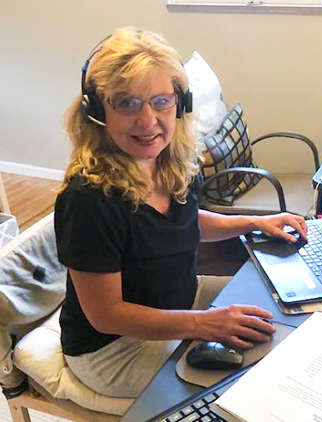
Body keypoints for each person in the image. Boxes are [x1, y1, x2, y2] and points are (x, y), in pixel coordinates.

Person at [54, 26, 307, 400]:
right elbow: (106, 314)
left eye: (161, 101)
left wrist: (253, 222)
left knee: (288, 314)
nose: (147, 120)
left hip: (182, 303)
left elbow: (182, 224)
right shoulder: (89, 199)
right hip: (115, 349)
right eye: (126, 103)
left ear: (180, 103)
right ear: (96, 110)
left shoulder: (168, 159)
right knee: (252, 390)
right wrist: (204, 324)